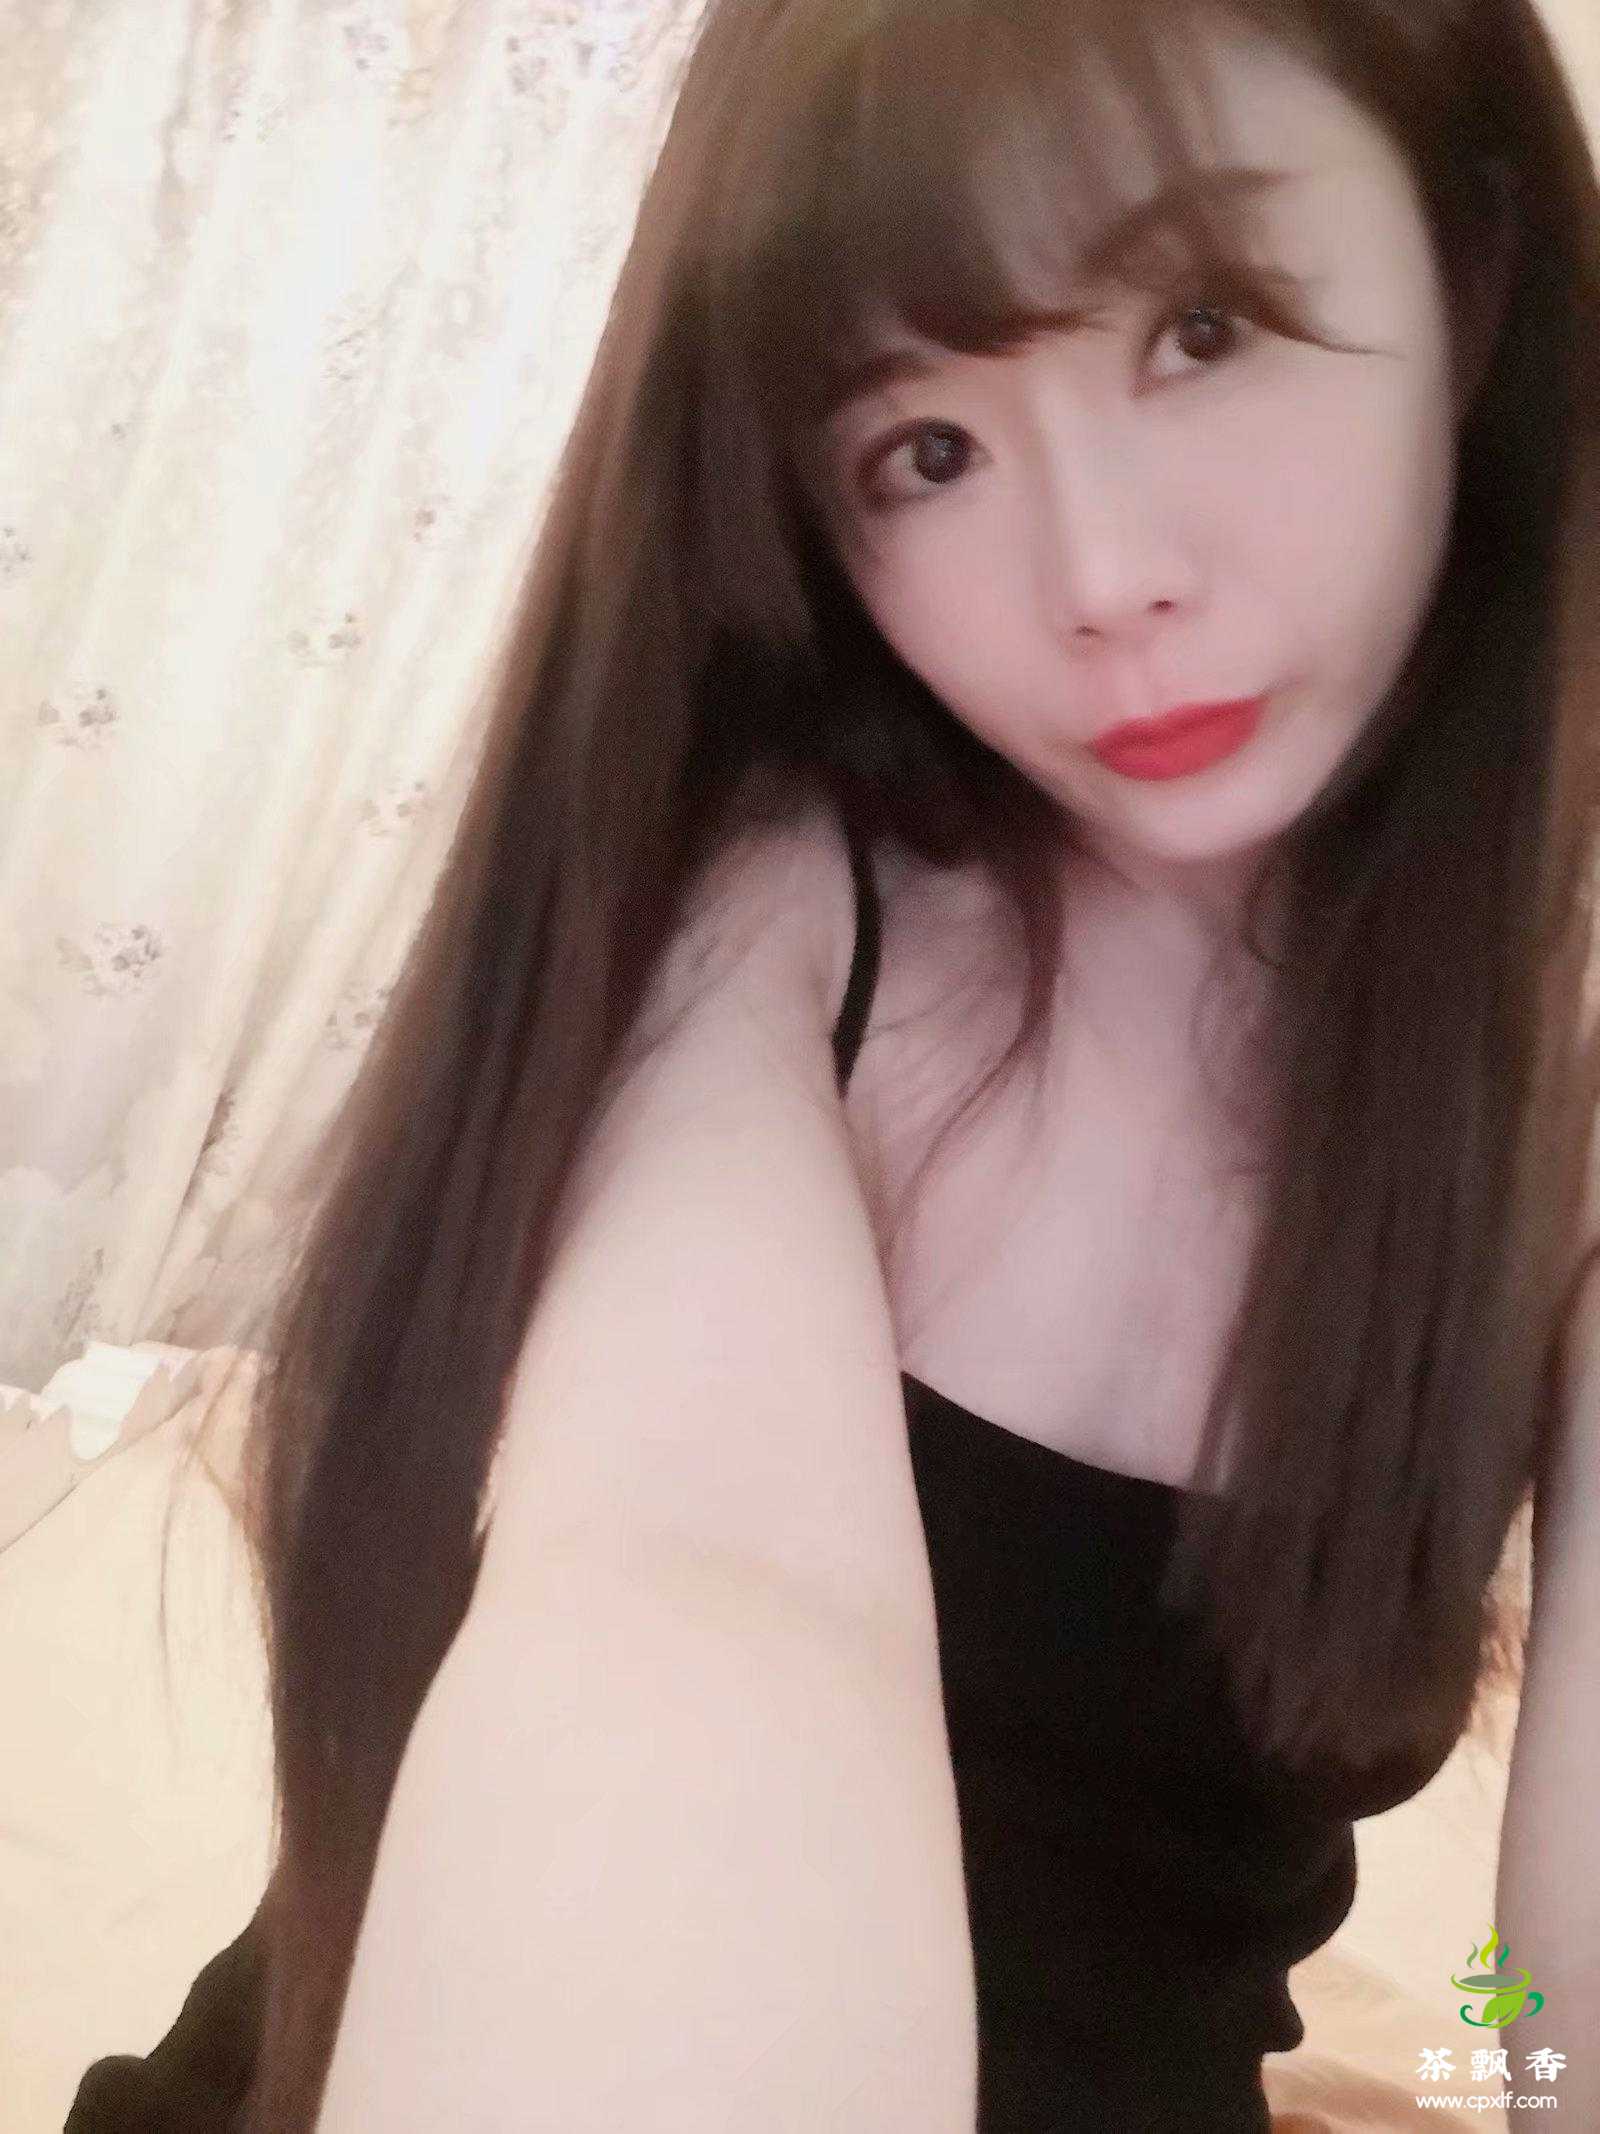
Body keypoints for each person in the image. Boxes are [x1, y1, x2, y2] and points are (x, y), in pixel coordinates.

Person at [68, 0, 1600, 2127]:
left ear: (1470, 265)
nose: (1101, 577)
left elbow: (1554, 1998)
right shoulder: (786, 909)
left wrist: (1509, 2053)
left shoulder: (1551, 1082)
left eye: (1203, 327)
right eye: (925, 451)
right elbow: (687, 1584)